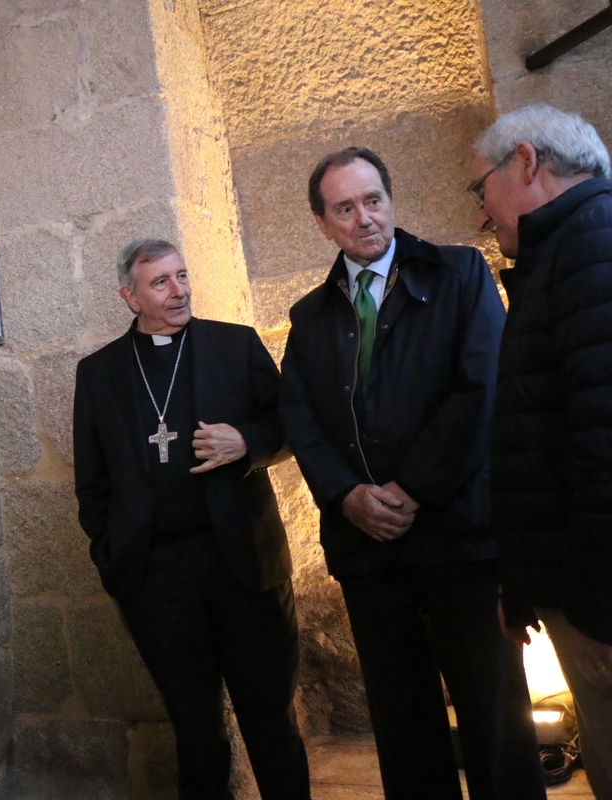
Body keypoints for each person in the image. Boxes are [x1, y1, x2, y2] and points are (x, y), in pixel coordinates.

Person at [280, 146, 546, 800]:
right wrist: (346, 495)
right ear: (322, 223)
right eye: (344, 208)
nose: (364, 218)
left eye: (373, 200)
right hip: (370, 552)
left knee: (495, 719)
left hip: (459, 539)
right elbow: (301, 419)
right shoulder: (309, 317)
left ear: (391, 200)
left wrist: (410, 489)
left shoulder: (460, 274)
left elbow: (480, 389)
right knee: (403, 727)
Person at [73, 239, 310, 799]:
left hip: (243, 566)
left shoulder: (235, 344)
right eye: (160, 282)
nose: (178, 291)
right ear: (131, 297)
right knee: (195, 730)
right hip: (156, 579)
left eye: (181, 275)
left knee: (269, 718)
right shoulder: (100, 372)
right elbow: (92, 481)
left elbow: (290, 425)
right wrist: (113, 554)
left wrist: (246, 442)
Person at [471, 104, 612, 798]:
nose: (481, 213)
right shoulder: (568, 247)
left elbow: (603, 442)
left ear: (526, 162)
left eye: (480, 188)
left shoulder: (593, 244)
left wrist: (596, 612)